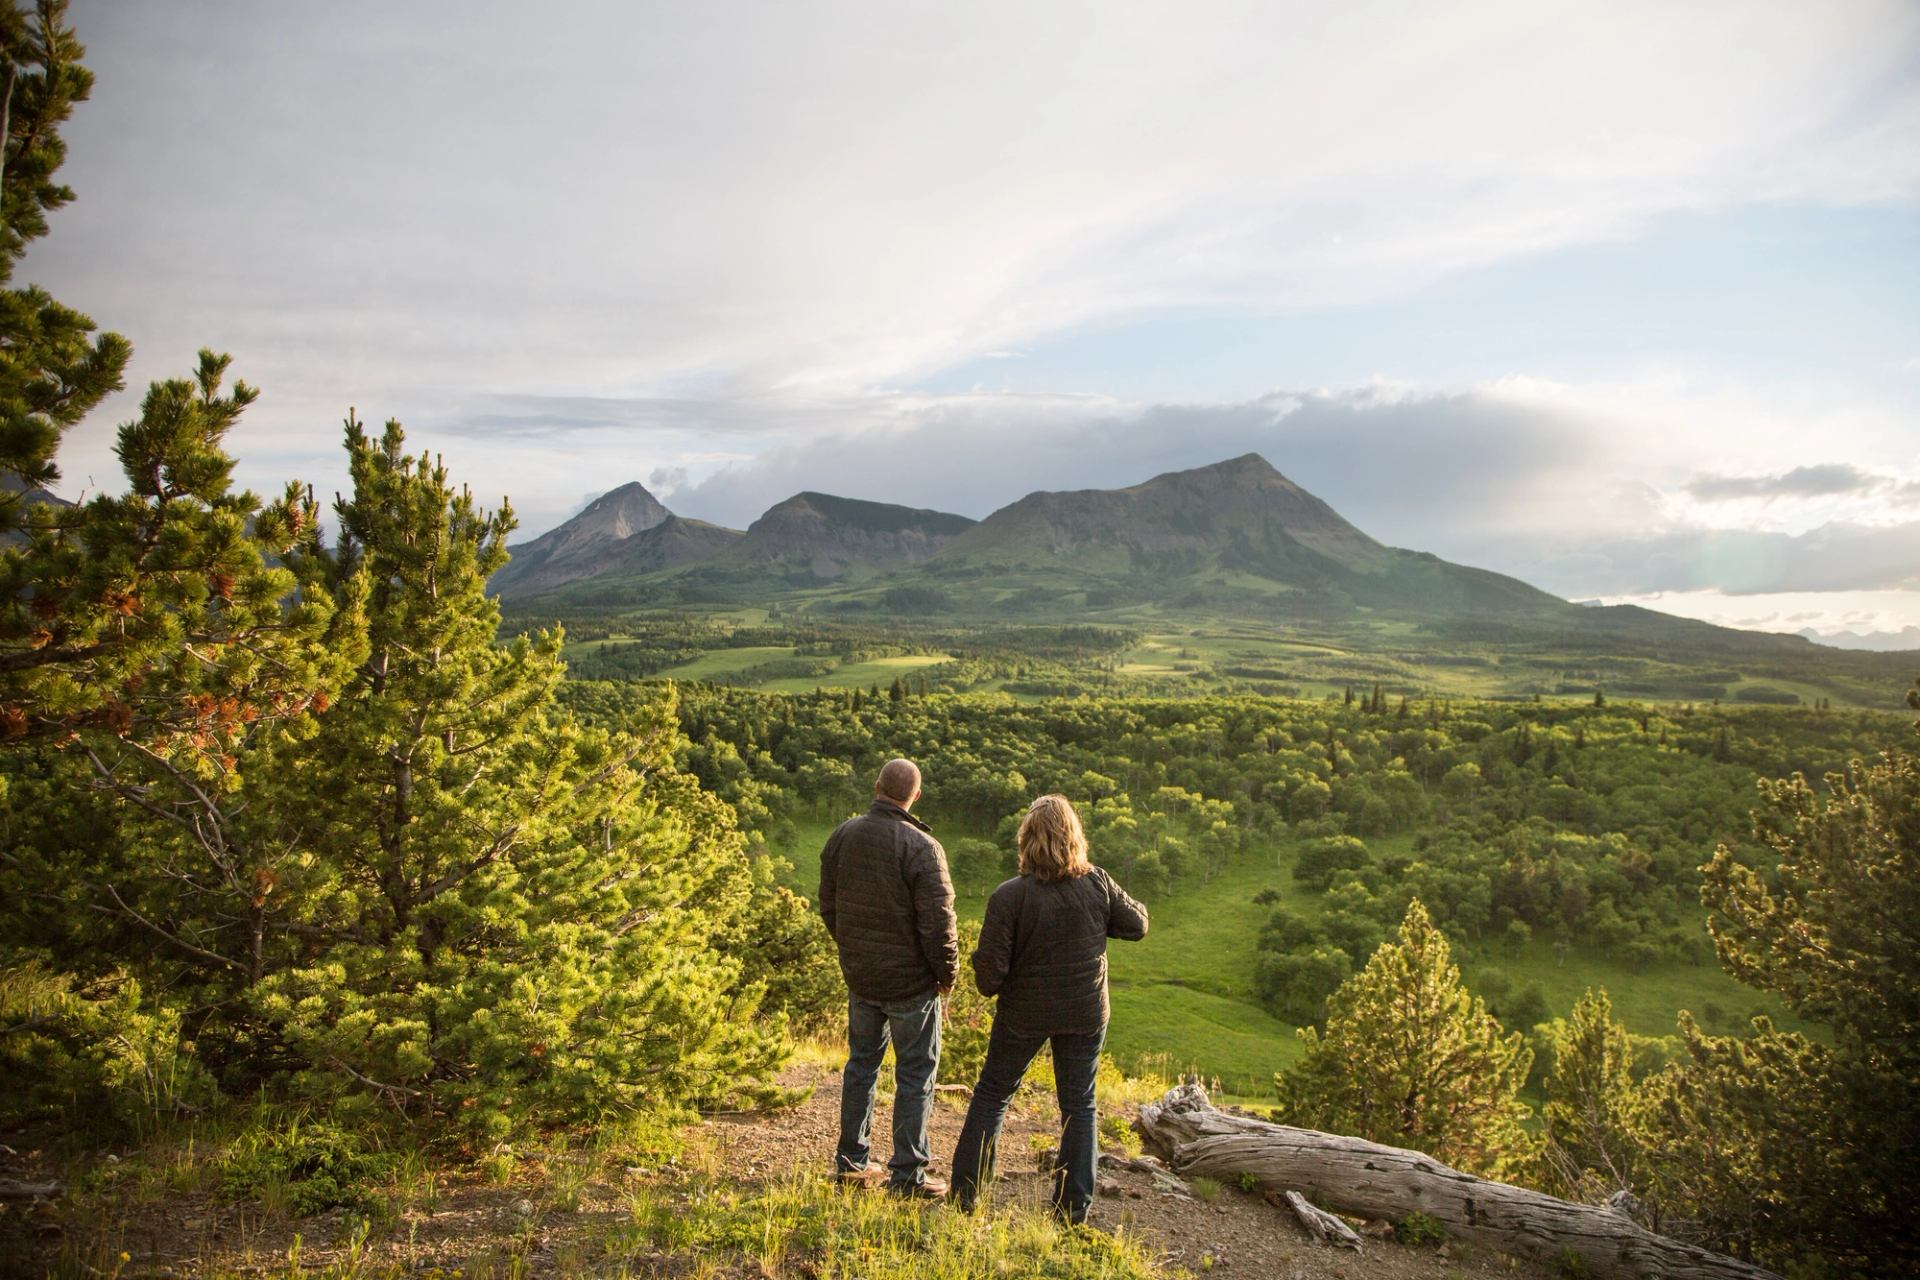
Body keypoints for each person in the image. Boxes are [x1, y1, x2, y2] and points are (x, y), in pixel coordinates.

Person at [950, 794, 1149, 1225]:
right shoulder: (1097, 883)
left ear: (1026, 840)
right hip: (1084, 1009)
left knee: (992, 1095)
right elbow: (1137, 924)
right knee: (1079, 1105)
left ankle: (966, 1198)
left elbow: (988, 981)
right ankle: (1072, 1210)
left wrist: (983, 959)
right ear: (1074, 837)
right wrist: (1097, 921)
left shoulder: (1009, 897)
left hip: (1025, 1013)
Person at [817, 757, 959, 1198]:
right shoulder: (921, 847)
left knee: (861, 1066)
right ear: (916, 796)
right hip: (911, 986)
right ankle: (908, 1176)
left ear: (877, 786)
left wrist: (852, 949)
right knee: (915, 1075)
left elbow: (828, 903)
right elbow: (940, 925)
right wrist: (946, 976)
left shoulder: (844, 834)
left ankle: (850, 1162)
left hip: (862, 978)